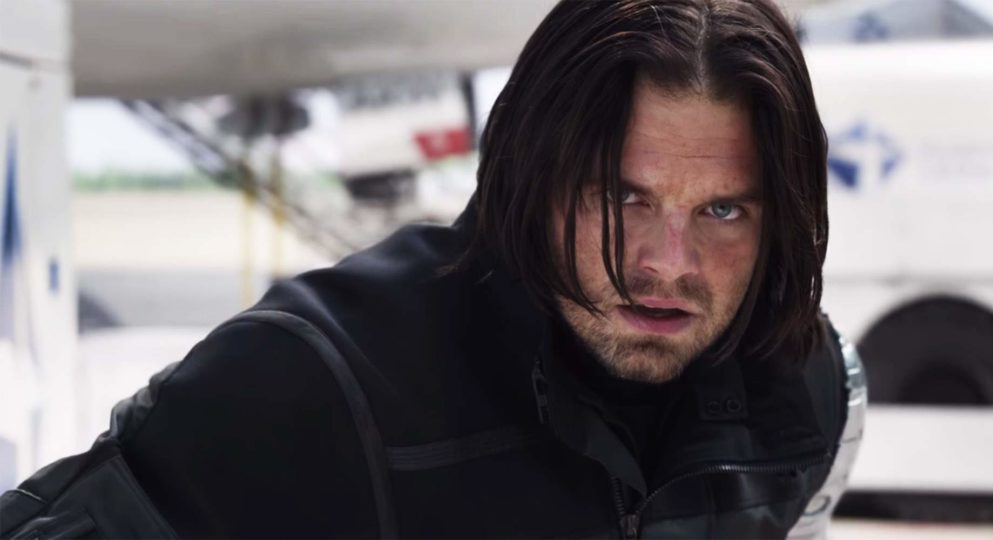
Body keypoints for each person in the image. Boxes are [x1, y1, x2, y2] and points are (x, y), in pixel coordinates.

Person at [1, 0, 865, 538]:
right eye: (619, 197)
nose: (668, 264)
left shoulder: (805, 391)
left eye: (722, 211)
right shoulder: (311, 382)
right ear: (531, 177)